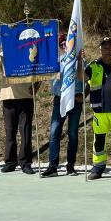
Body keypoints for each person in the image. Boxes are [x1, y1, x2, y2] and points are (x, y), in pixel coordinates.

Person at [79, 37, 111, 181]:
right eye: (104, 48)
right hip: (100, 112)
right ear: (100, 50)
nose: (107, 51)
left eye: (109, 48)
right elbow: (81, 78)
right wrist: (79, 61)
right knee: (99, 141)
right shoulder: (93, 65)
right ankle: (98, 167)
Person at [42, 33, 84, 177]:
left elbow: (87, 80)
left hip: (75, 100)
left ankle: (70, 166)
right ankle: (52, 166)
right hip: (59, 99)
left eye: (67, 43)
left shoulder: (79, 60)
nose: (65, 46)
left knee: (72, 133)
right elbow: (46, 75)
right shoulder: (55, 61)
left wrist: (84, 95)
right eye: (62, 44)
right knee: (55, 132)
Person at [0, 62, 39, 175]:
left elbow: (41, 68)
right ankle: (10, 162)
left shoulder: (28, 50)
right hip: (8, 97)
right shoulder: (2, 54)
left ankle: (25, 162)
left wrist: (38, 83)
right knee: (10, 132)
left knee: (25, 132)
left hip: (26, 96)